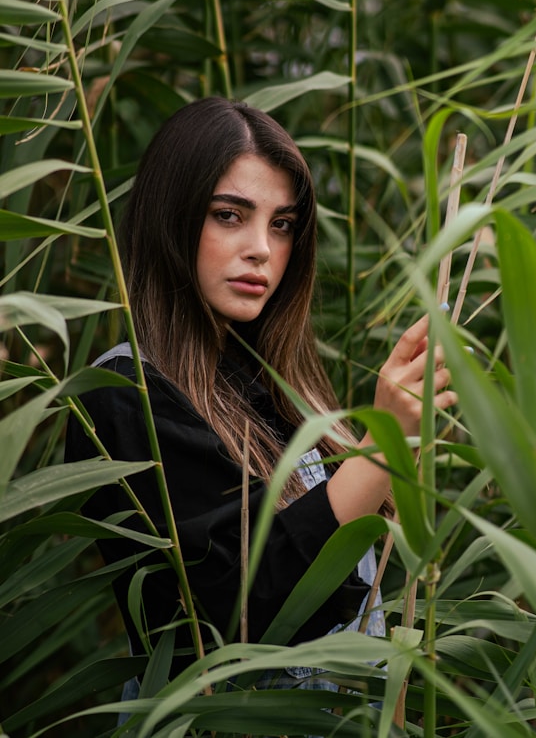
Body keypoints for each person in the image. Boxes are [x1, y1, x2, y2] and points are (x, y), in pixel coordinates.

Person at [65, 96, 455, 708]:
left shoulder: (275, 385)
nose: (262, 250)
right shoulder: (126, 393)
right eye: (229, 215)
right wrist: (379, 445)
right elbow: (244, 610)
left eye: (281, 224)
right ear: (174, 217)